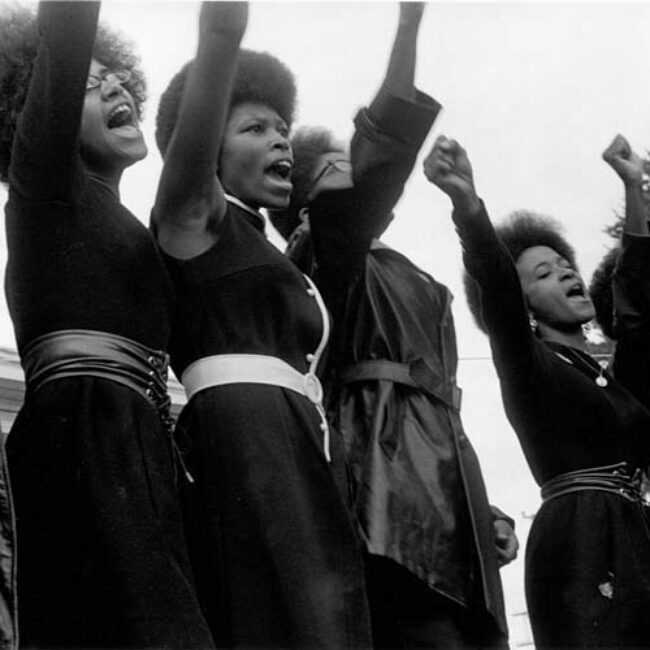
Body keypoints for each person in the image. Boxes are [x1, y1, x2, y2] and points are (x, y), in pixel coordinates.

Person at [270, 5, 516, 648]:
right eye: (335, 167)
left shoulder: (405, 274)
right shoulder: (325, 255)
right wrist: (409, 25)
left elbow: (434, 408)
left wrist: (474, 506)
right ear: (306, 204)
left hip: (443, 491)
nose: (354, 175)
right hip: (382, 491)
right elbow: (382, 149)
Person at [152, 3, 371, 647]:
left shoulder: (274, 251)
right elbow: (218, 36)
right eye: (254, 127)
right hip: (245, 448)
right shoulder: (191, 218)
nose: (281, 139)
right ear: (206, 149)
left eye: (283, 127)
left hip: (303, 445)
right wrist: (224, 33)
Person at [0, 3, 214, 647]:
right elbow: (64, 39)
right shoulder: (44, 186)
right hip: (86, 435)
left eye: (117, 75)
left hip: (146, 442)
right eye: (89, 84)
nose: (116, 84)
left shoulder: (137, 230)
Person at [424, 134, 650, 649]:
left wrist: (634, 185)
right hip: (581, 541)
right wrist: (467, 204)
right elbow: (497, 283)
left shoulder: (614, 382)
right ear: (523, 307)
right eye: (543, 273)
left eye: (564, 263)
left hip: (635, 534)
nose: (566, 271)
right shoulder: (529, 366)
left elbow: (636, 311)